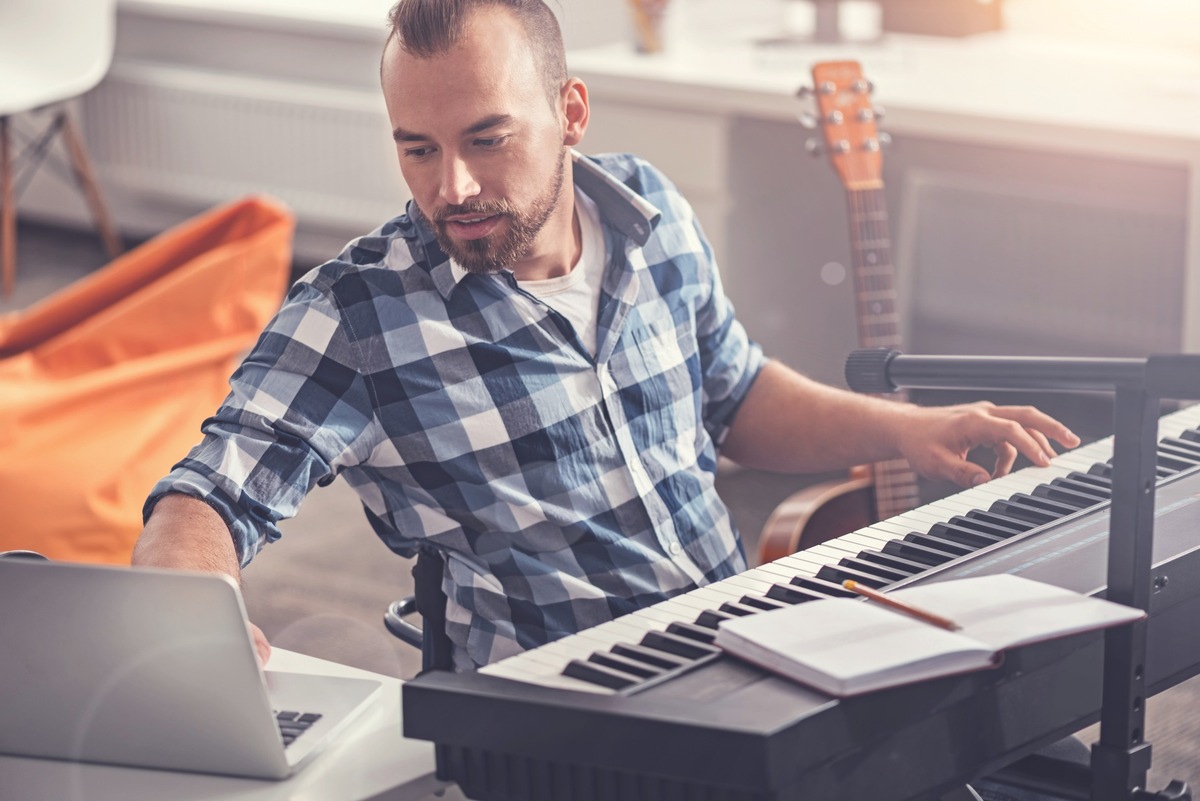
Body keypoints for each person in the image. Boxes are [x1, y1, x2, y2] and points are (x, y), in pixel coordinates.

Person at [132, 0, 1080, 674]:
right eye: (416, 147)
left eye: (486, 138)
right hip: (571, 709)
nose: (451, 186)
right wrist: (191, 617)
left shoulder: (650, 212)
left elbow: (736, 397)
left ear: (570, 113)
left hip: (743, 639)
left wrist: (904, 430)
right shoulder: (360, 314)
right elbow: (207, 495)